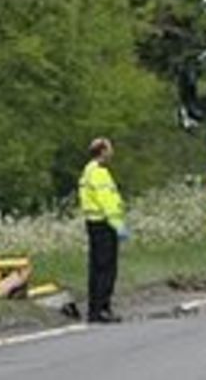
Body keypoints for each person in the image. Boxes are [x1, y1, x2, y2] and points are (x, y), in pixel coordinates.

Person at [78, 138, 128, 323]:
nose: (112, 153)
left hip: (93, 223)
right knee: (106, 269)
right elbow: (106, 201)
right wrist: (118, 224)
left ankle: (95, 309)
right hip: (104, 224)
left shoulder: (88, 171)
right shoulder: (99, 173)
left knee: (96, 268)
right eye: (109, 149)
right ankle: (102, 309)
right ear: (102, 151)